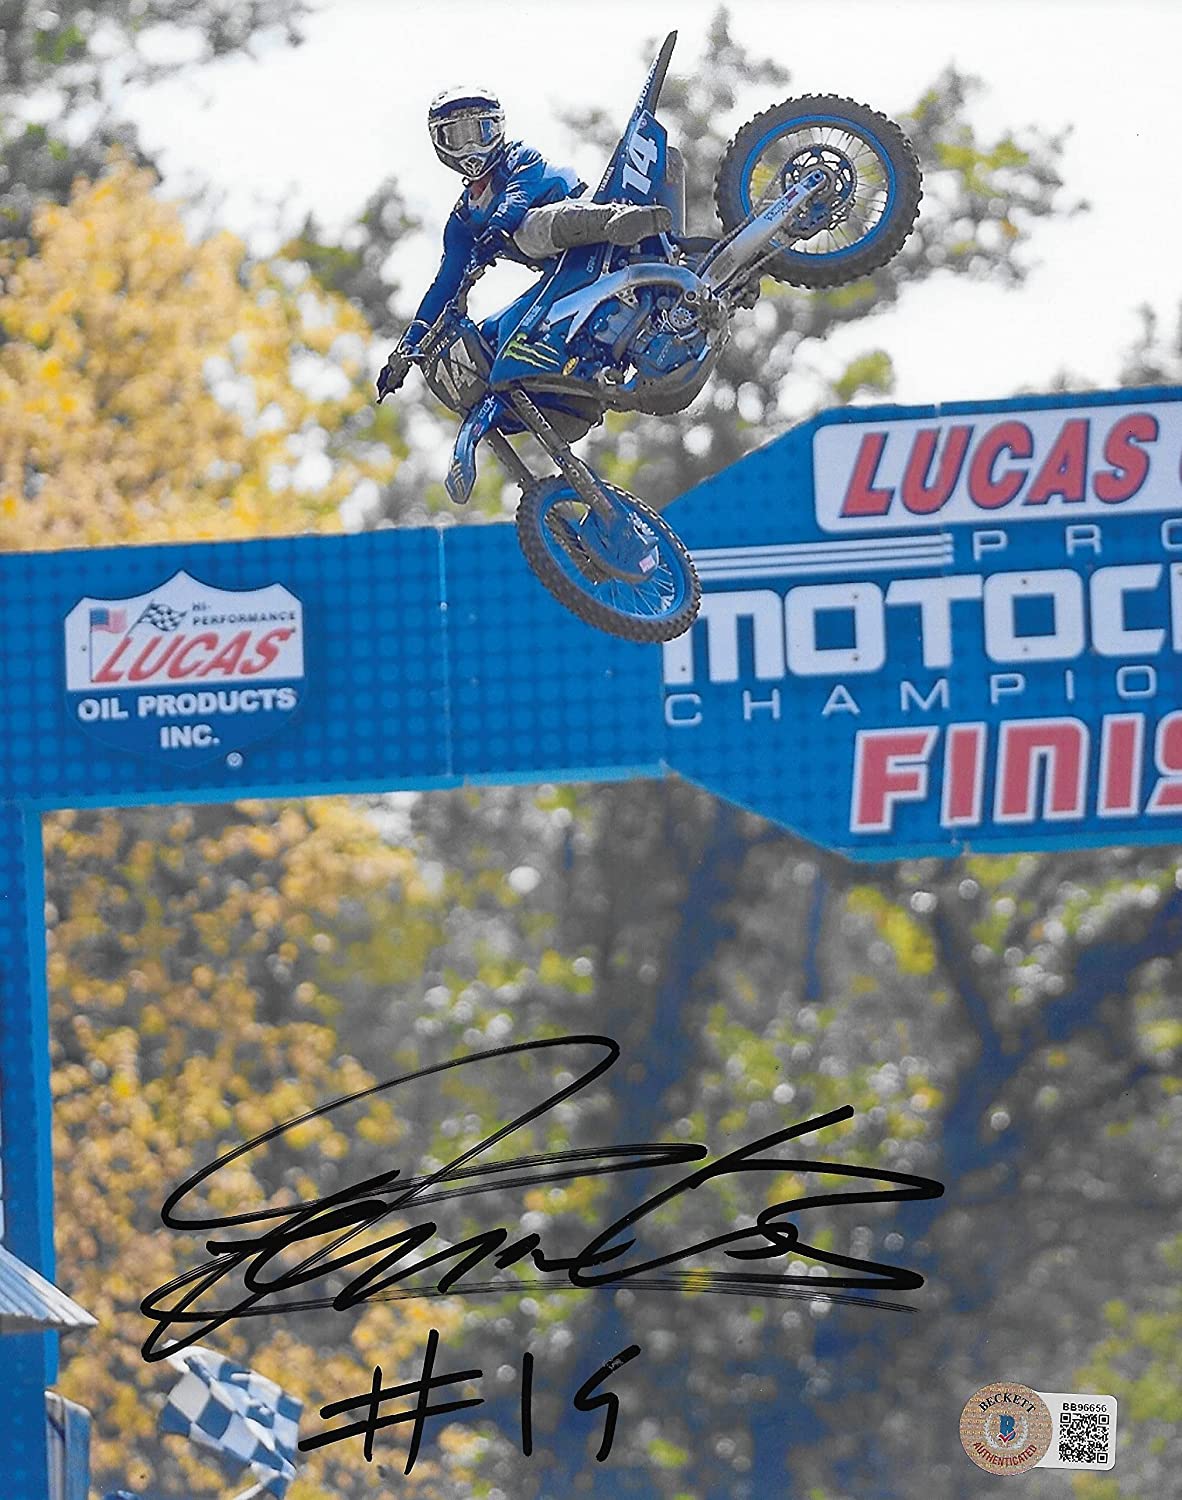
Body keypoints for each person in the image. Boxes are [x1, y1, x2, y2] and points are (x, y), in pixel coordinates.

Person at [377, 85, 671, 397]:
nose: (471, 146)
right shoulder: (463, 220)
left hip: (587, 217)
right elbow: (445, 283)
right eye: (458, 137)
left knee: (525, 231)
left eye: (479, 131)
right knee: (499, 331)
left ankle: (617, 219)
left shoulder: (519, 158)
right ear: (441, 143)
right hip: (562, 267)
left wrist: (497, 229)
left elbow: (517, 199)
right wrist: (405, 350)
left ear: (497, 128)